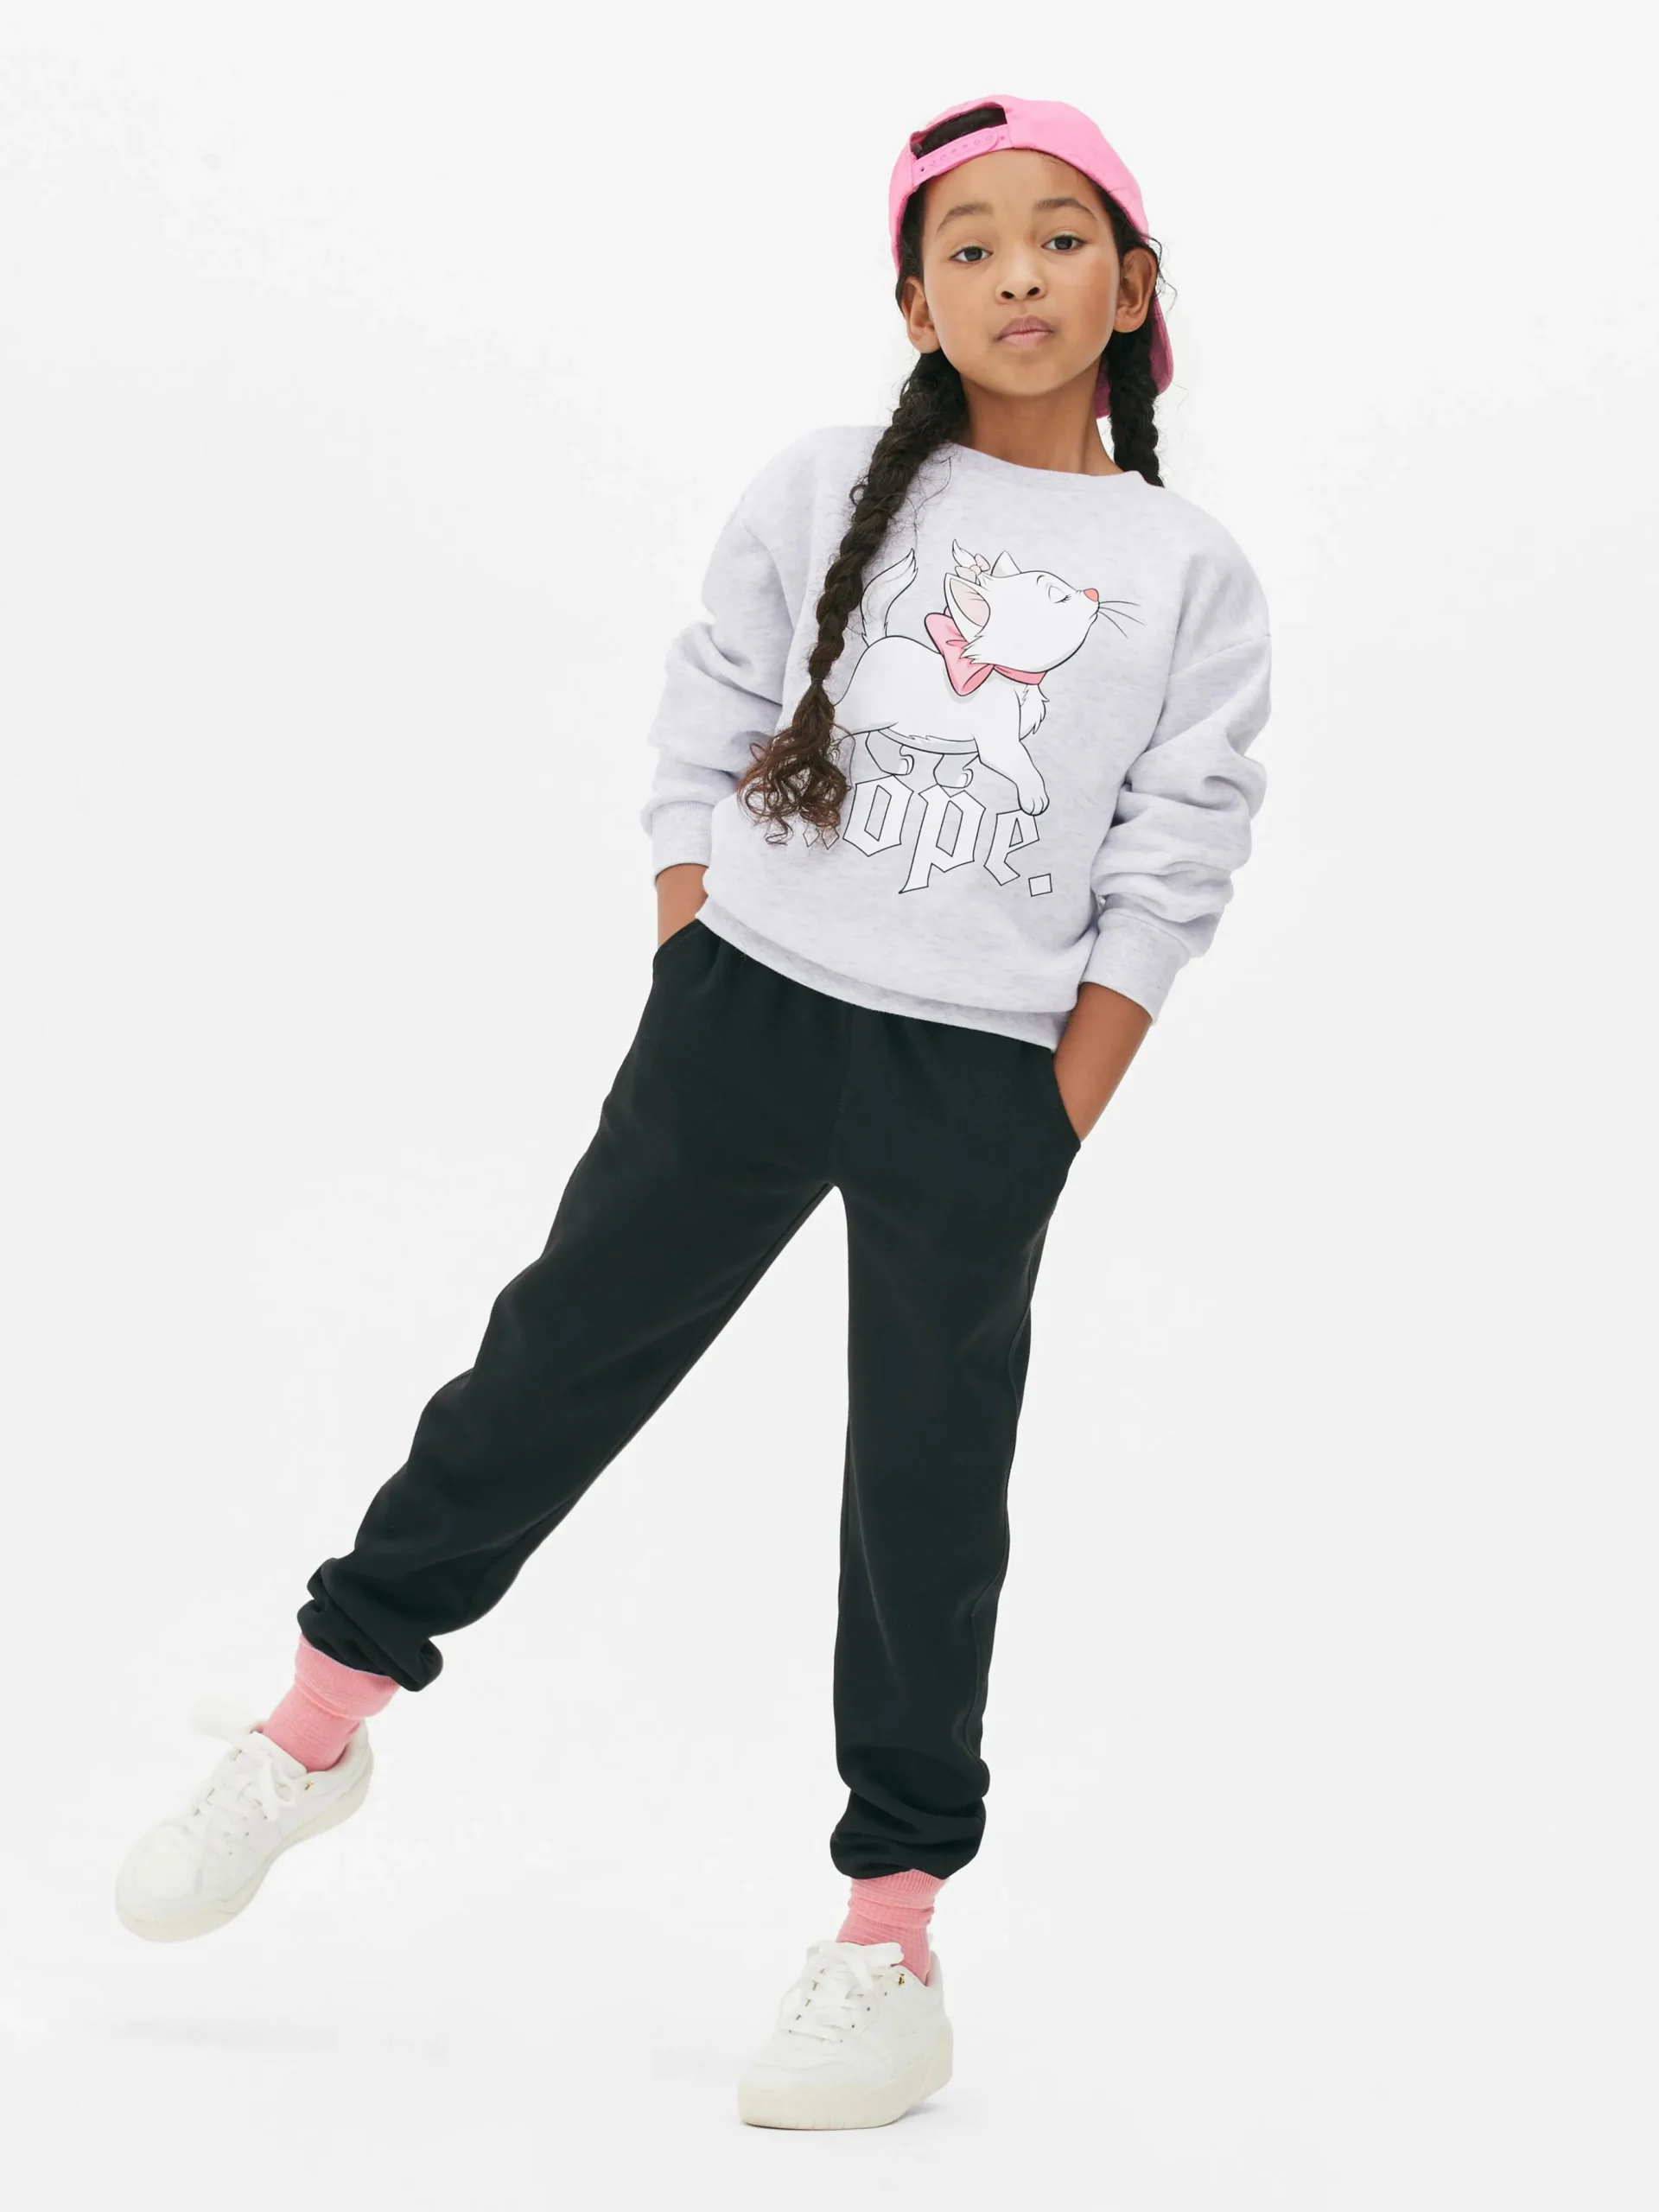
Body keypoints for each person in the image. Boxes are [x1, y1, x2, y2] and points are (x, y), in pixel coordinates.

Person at [114, 91, 1273, 2132]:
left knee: (926, 1492)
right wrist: (693, 945)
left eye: (1060, 236)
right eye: (969, 245)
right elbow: (711, 710)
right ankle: (313, 1723)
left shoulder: (1187, 570)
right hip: (748, 1010)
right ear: (911, 302)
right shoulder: (825, 483)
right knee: (549, 1368)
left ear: (1135, 286)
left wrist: (1055, 1106)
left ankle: (889, 1937)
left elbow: (1179, 850)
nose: (1017, 272)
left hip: (980, 1075)